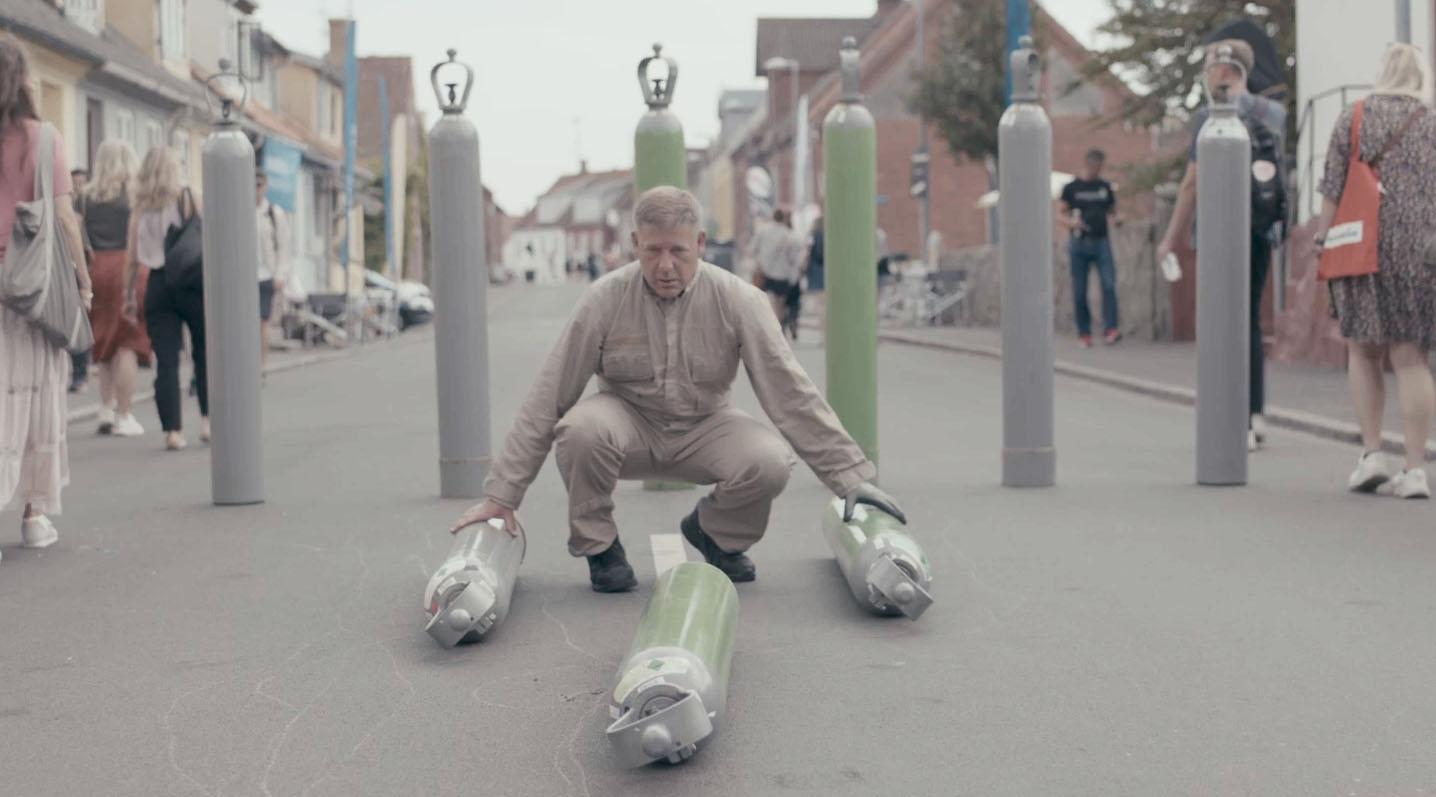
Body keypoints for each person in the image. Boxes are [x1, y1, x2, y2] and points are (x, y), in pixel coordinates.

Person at [450, 187, 906, 592]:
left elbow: (790, 391)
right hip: (627, 422)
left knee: (769, 461)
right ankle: (600, 546)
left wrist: (851, 479)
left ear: (701, 245)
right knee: (578, 429)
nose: (665, 266)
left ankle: (716, 533)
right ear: (634, 245)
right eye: (652, 251)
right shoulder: (604, 299)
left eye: (678, 251)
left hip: (705, 424)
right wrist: (501, 497)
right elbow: (548, 396)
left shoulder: (740, 300)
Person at [1312, 43, 1436, 499]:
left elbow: (1331, 184)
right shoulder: (1432, 122)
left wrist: (1323, 239)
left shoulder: (1354, 116)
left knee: (1363, 350)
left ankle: (1371, 455)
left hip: (1361, 246)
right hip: (1422, 252)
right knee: (1412, 357)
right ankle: (1417, 469)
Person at [1156, 39, 1287, 452]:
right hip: (1262, 230)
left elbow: (1192, 182)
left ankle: (1228, 413)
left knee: (1218, 321)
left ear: (1224, 69)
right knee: (1249, 318)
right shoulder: (1275, 114)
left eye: (1209, 68)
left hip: (1217, 231)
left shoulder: (1207, 117)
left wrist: (1170, 238)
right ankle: (1255, 414)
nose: (1208, 76)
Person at [0, 33, 92, 556]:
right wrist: (81, 280)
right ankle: (34, 516)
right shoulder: (44, 139)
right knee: (35, 400)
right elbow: (63, 218)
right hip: (32, 292)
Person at [130, 146, 207, 451]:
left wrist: (127, 295)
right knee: (203, 351)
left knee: (166, 359)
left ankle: (173, 431)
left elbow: (132, 258)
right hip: (191, 281)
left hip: (158, 284)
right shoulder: (189, 198)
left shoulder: (140, 204)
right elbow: (206, 238)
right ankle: (207, 420)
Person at [83, 139, 148, 437]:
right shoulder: (134, 196)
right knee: (128, 344)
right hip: (127, 268)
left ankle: (105, 409)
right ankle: (124, 414)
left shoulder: (85, 196)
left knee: (104, 341)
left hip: (96, 267)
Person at [1059, 149, 1121, 347]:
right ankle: (1084, 333)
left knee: (1109, 284)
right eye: (1094, 166)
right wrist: (1071, 224)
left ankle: (1111, 328)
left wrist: (1117, 219)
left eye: (1099, 167)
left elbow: (1112, 211)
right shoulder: (1072, 188)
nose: (1096, 170)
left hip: (1101, 241)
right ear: (1087, 164)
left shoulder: (1104, 187)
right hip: (1079, 243)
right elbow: (1060, 213)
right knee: (1080, 290)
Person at [254, 170, 290, 371]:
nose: (256, 189)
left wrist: (280, 274)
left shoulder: (274, 214)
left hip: (266, 275)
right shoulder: (242, 211)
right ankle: (249, 363)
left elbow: (284, 246)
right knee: (247, 322)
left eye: (260, 185)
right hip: (245, 276)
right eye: (253, 185)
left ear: (266, 187)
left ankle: (262, 365)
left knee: (262, 322)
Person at [751, 207, 804, 339]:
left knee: (771, 301)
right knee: (780, 303)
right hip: (783, 274)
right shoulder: (788, 234)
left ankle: (774, 328)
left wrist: (759, 263)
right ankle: (779, 326)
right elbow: (794, 256)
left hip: (766, 273)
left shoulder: (763, 231)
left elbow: (752, 249)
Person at [68, 167, 90, 393]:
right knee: (77, 320)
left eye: (81, 183)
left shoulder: (89, 206)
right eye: (74, 183)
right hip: (69, 270)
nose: (77, 187)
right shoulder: (65, 205)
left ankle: (82, 372)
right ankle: (79, 374)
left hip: (89, 268)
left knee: (85, 321)